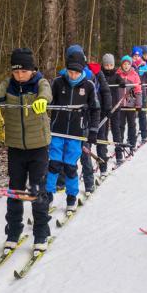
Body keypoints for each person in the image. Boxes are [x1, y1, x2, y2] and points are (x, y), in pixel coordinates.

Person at [0, 48, 52, 255]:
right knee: (14, 191)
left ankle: (41, 233)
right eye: (16, 72)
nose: (19, 76)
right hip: (16, 148)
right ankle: (13, 232)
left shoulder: (39, 83)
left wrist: (42, 100)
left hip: (38, 148)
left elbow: (47, 92)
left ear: (32, 70)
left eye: (23, 72)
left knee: (37, 191)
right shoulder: (10, 85)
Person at [47, 47, 100, 213]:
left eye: (76, 73)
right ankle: (47, 196)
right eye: (70, 72)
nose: (73, 76)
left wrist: (92, 131)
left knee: (70, 166)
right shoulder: (57, 82)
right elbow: (46, 100)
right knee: (53, 164)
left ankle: (71, 197)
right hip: (57, 131)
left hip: (76, 134)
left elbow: (96, 110)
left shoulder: (89, 86)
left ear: (82, 70)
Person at [82, 53, 116, 189]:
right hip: (84, 115)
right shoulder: (74, 73)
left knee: (101, 140)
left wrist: (108, 107)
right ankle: (87, 174)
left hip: (100, 112)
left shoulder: (96, 72)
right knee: (86, 143)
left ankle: (103, 168)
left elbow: (106, 90)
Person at [113, 54, 143, 158]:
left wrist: (139, 103)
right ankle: (120, 144)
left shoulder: (134, 75)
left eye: (128, 64)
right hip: (120, 105)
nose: (126, 66)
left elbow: (138, 90)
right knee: (120, 126)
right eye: (124, 64)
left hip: (131, 104)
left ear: (131, 65)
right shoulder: (117, 74)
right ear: (121, 65)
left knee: (132, 125)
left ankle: (132, 143)